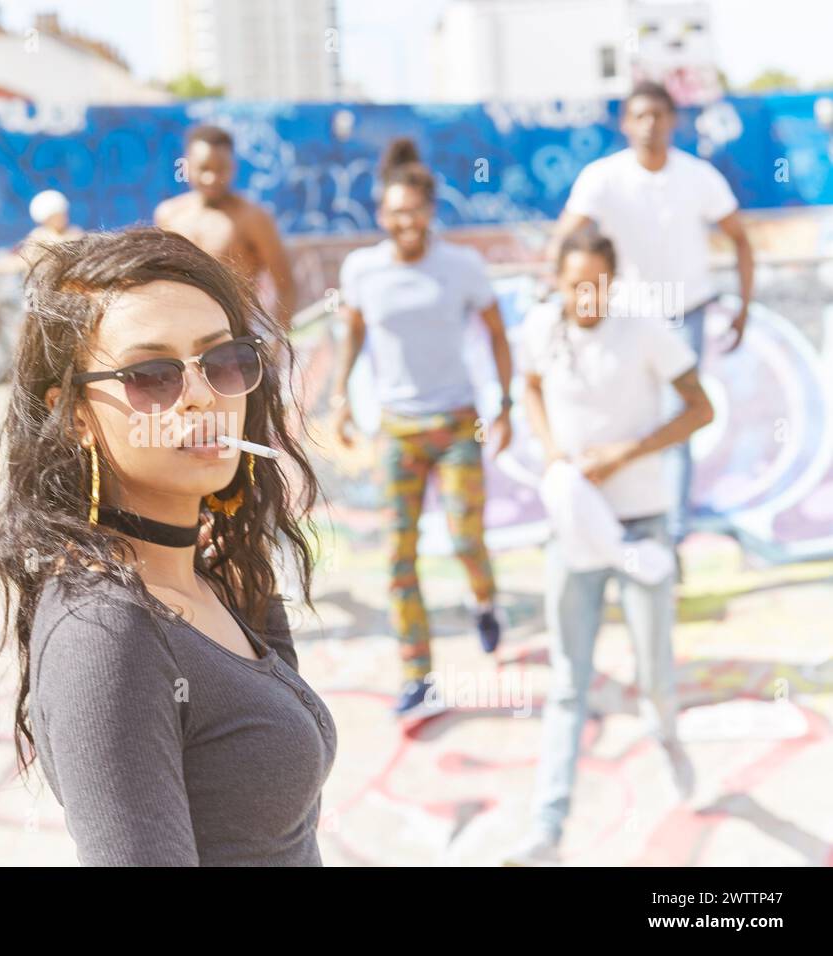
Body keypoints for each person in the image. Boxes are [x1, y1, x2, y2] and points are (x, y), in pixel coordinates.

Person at [0, 227, 334, 866]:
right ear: (77, 415)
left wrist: (258, 605)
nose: (201, 395)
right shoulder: (108, 632)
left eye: (222, 361)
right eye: (152, 375)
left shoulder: (207, 578)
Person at [505, 227, 714, 865]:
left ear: (613, 281)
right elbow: (531, 387)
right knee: (569, 681)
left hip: (642, 520)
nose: (586, 296)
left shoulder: (644, 328)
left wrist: (629, 452)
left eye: (597, 283)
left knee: (654, 667)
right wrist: (552, 454)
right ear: (558, 282)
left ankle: (668, 738)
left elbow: (699, 409)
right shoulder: (543, 327)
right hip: (575, 528)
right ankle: (547, 827)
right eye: (574, 284)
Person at [330, 138, 514, 716]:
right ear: (382, 215)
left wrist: (503, 403)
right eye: (393, 211)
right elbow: (354, 332)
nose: (404, 221)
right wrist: (339, 398)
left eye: (414, 209)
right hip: (399, 432)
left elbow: (497, 332)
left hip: (458, 425)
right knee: (398, 558)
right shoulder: (362, 269)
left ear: (431, 211)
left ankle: (484, 602)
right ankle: (418, 677)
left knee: (464, 539)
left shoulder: (461, 266)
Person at [549, 80, 753, 574]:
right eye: (639, 116)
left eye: (658, 115)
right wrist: (561, 298)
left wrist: (744, 304)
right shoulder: (603, 176)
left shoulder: (698, 177)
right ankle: (606, 532)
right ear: (625, 123)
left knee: (676, 423)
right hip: (624, 318)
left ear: (672, 121)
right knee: (614, 423)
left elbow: (741, 239)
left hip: (685, 312)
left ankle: (672, 539)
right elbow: (564, 237)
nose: (649, 125)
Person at [155, 125, 297, 331]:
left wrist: (278, 342)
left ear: (233, 168)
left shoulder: (252, 218)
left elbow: (286, 285)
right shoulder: (168, 215)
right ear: (186, 167)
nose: (211, 177)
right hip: (183, 335)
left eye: (221, 168)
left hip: (236, 337)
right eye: (204, 168)